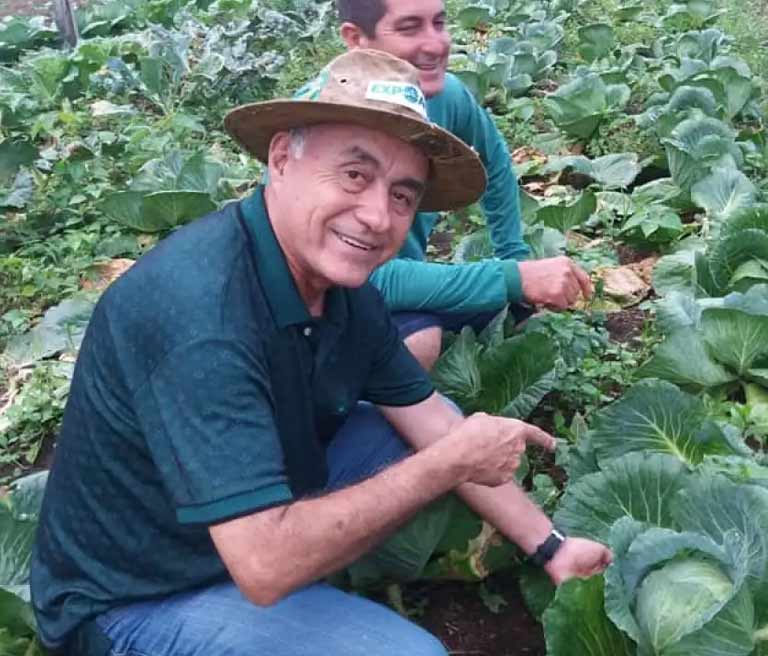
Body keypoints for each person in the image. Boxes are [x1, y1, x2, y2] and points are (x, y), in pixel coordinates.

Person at [29, 50, 612, 656]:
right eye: (354, 175)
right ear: (282, 159)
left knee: (407, 433)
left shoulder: (340, 289)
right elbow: (263, 567)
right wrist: (445, 465)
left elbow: (435, 424)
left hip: (243, 521)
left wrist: (552, 547)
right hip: (137, 597)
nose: (377, 216)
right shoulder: (200, 313)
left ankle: (309, 570)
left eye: (402, 195)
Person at [313, 0, 594, 369]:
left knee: (517, 312)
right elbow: (358, 276)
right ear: (355, 39)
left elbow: (494, 161)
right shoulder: (319, 120)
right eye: (409, 27)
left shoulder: (443, 95)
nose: (436, 44)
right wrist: (513, 278)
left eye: (439, 22)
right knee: (418, 343)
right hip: (324, 304)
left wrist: (513, 256)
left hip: (396, 277)